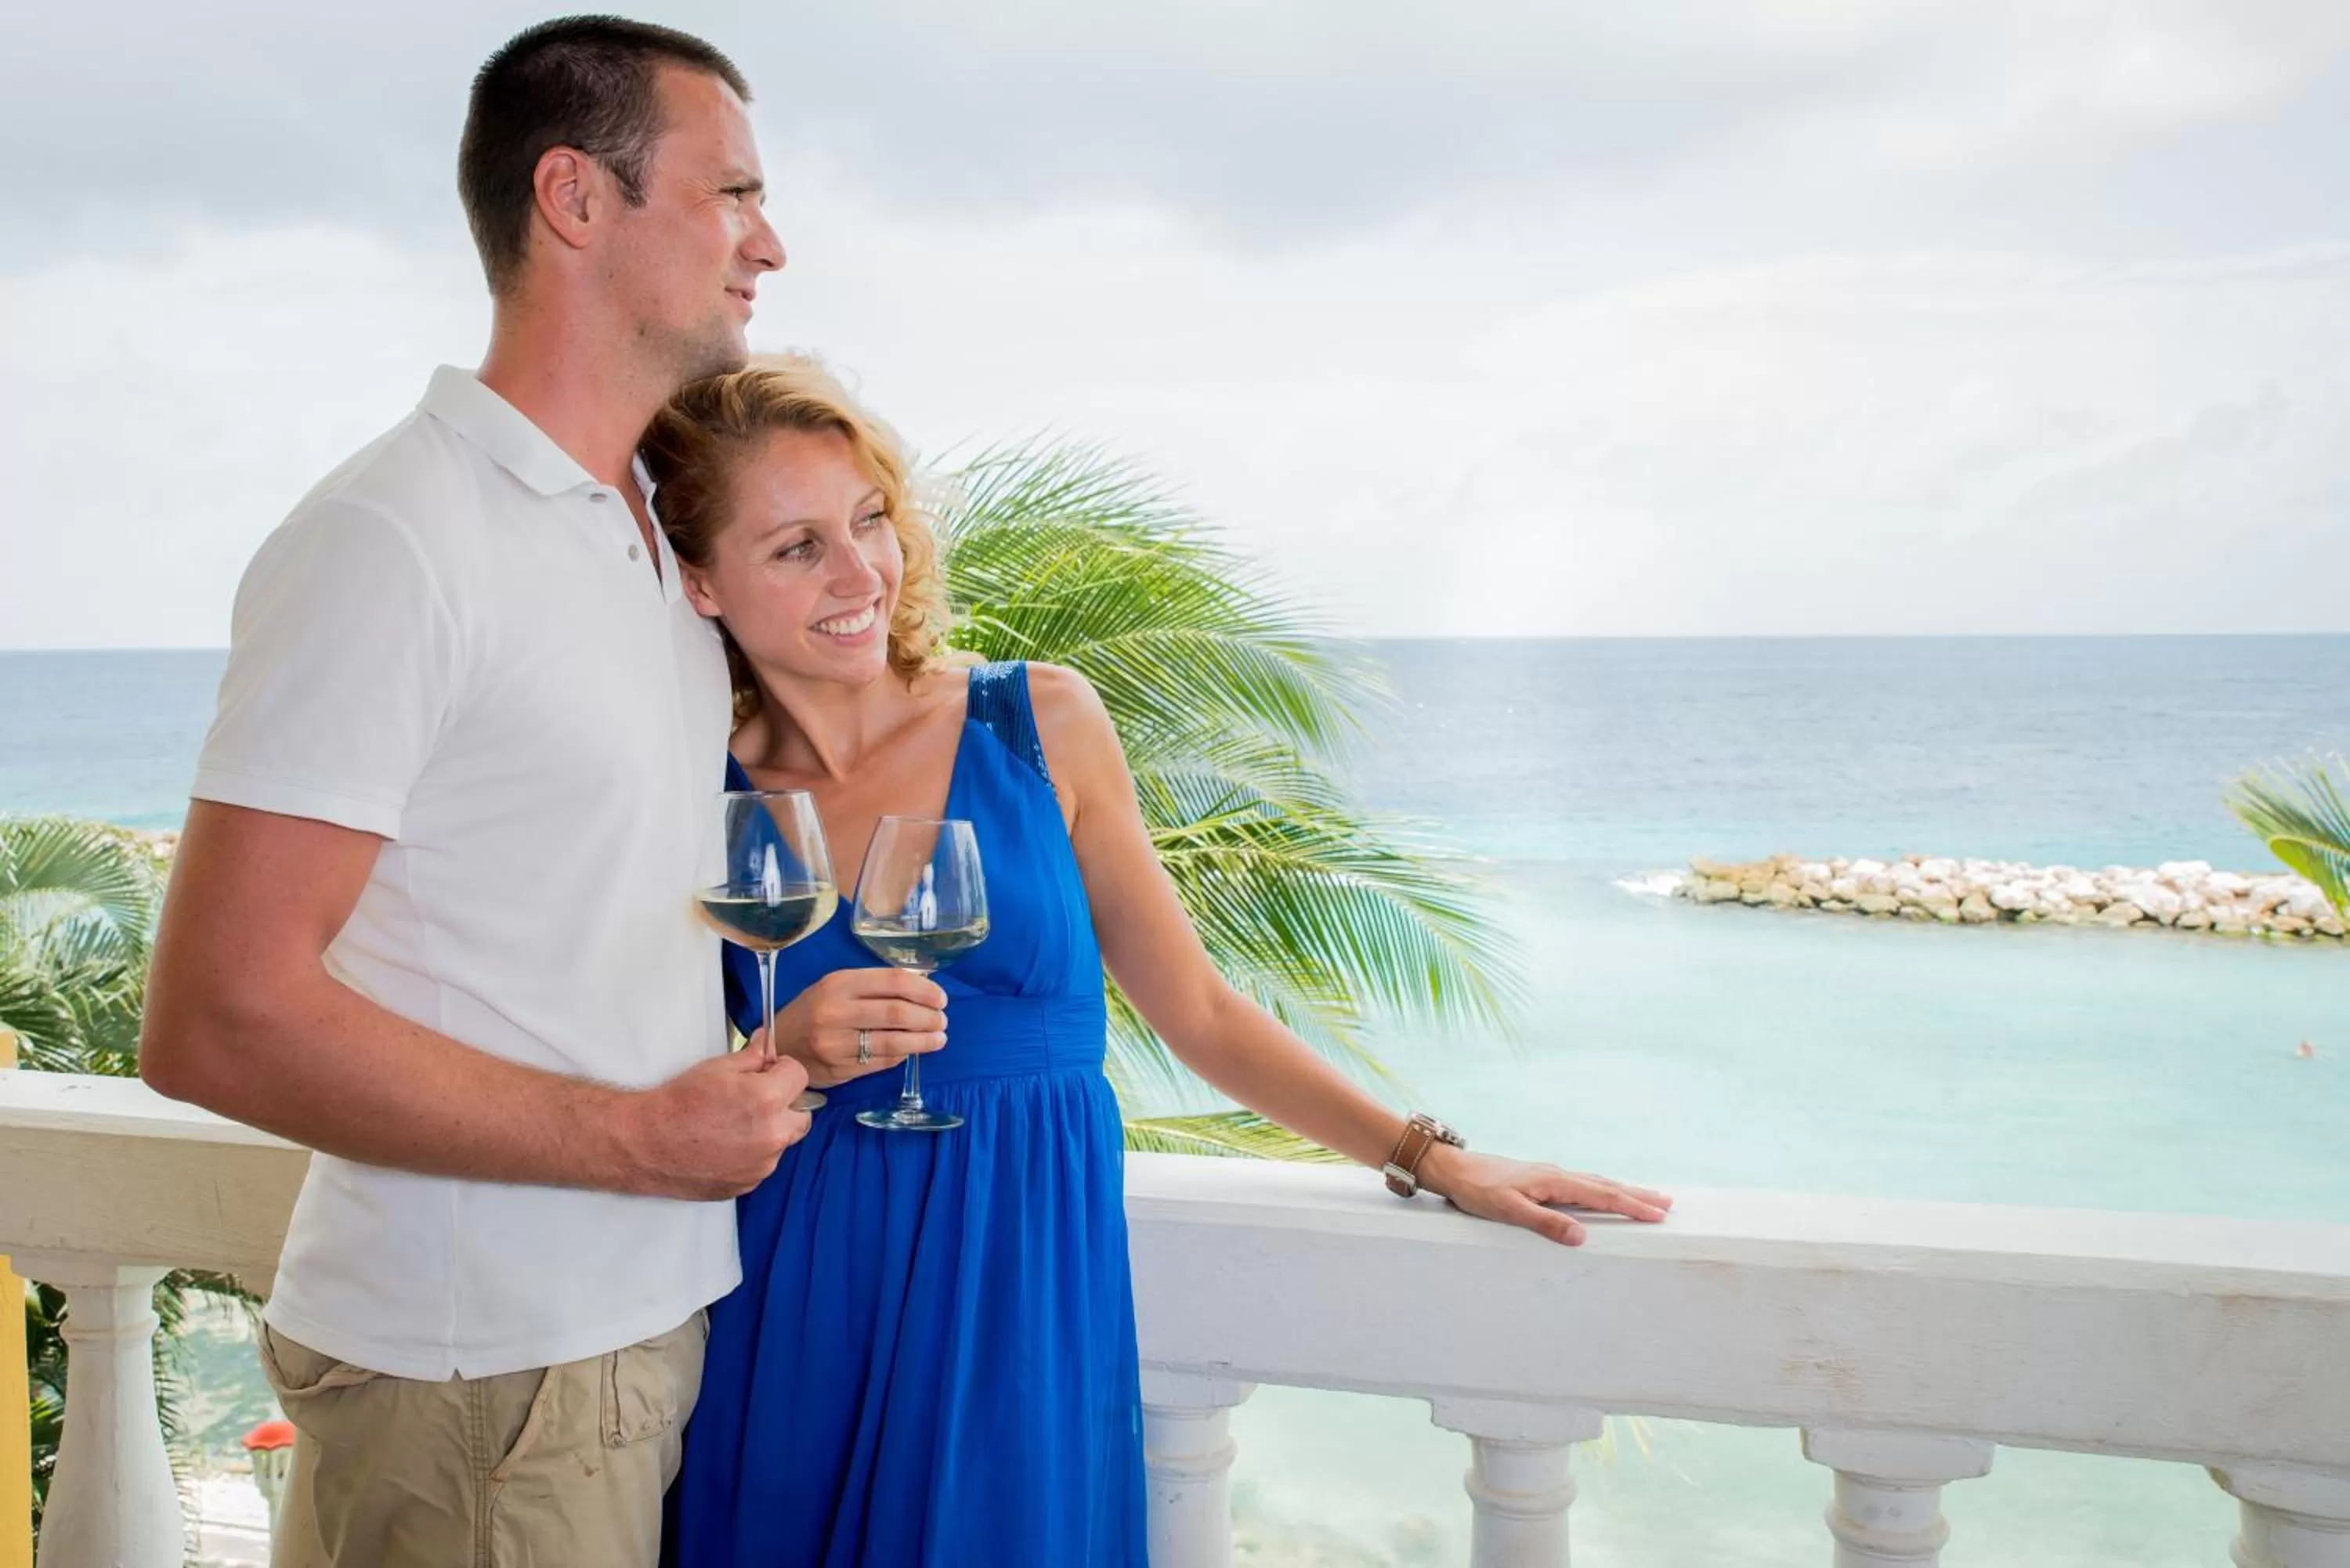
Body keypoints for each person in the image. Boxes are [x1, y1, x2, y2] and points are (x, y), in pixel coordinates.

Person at [645, 358, 1674, 1566]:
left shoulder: (1036, 720)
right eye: (796, 546)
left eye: (869, 518)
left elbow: (1195, 1007)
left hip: (1020, 1278)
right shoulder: (697, 788)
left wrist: (1429, 1153)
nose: (860, 571)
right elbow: (656, 1070)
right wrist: (784, 1053)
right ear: (703, 583)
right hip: (802, 1282)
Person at [136, 19, 853, 1566]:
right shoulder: (396, 540)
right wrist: (638, 1138)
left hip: (616, 1339)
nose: (770, 242)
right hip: (482, 1374)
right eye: (732, 192)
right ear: (577, 201)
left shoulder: (645, 539)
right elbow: (213, 1013)